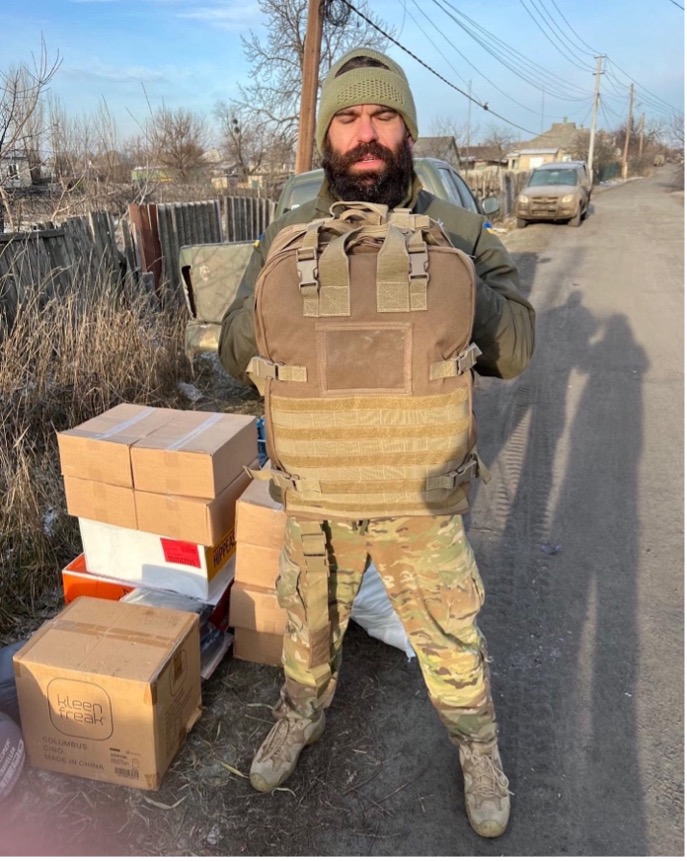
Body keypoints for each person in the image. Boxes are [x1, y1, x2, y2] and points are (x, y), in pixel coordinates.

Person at [218, 47, 535, 839]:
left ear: (407, 130)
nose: (366, 133)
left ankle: (477, 747)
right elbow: (232, 352)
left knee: (448, 629)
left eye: (383, 116)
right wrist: (295, 299)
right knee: (307, 618)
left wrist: (442, 276)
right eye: (349, 117)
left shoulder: (458, 226)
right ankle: (300, 715)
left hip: (417, 490)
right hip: (319, 488)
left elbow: (518, 346)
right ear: (328, 135)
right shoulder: (287, 235)